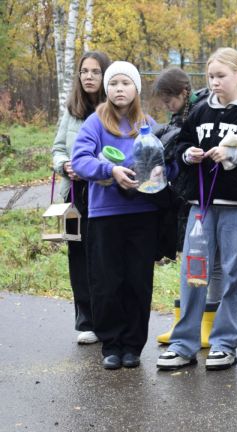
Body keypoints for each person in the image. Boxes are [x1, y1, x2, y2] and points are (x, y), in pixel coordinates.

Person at [156, 47, 237, 371]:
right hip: (200, 205)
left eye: (221, 76)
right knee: (193, 271)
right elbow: (180, 144)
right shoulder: (200, 111)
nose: (215, 82)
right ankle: (184, 344)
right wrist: (187, 155)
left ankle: (224, 343)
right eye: (211, 77)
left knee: (233, 272)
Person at [72, 61, 166, 369]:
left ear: (136, 88)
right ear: (107, 89)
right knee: (106, 281)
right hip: (105, 214)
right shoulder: (95, 122)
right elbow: (80, 159)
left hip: (142, 214)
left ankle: (133, 346)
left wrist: (156, 172)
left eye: (125, 83)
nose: (119, 89)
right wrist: (110, 170)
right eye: (113, 84)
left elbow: (165, 165)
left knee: (137, 282)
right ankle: (111, 344)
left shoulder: (148, 123)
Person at [150, 67, 222, 348]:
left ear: (183, 93)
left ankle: (208, 323)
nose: (167, 106)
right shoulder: (178, 115)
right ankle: (183, 322)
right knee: (188, 259)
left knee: (210, 261)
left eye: (169, 100)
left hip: (205, 194)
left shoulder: (202, 110)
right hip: (182, 197)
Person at [52, 51, 110, 345]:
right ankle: (86, 321)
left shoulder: (113, 109)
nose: (88, 76)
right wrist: (65, 165)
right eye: (84, 71)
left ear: (106, 75)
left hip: (104, 193)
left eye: (95, 71)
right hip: (75, 196)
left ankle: (107, 319)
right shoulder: (71, 110)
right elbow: (58, 148)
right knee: (78, 258)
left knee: (102, 258)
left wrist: (90, 166)